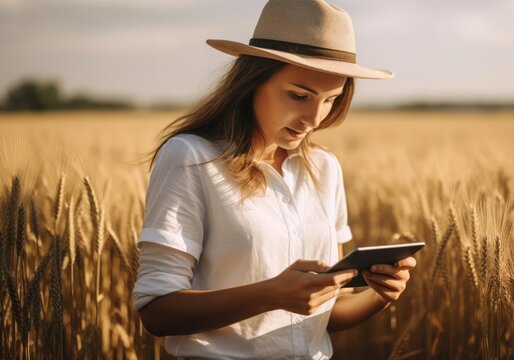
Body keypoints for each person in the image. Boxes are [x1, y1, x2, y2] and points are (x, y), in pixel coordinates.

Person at [132, 0, 417, 358]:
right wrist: (271, 294)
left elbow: (325, 313)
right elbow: (157, 310)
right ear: (252, 80)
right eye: (299, 96)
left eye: (330, 100)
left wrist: (379, 294)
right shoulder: (191, 157)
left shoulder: (325, 168)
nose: (315, 117)